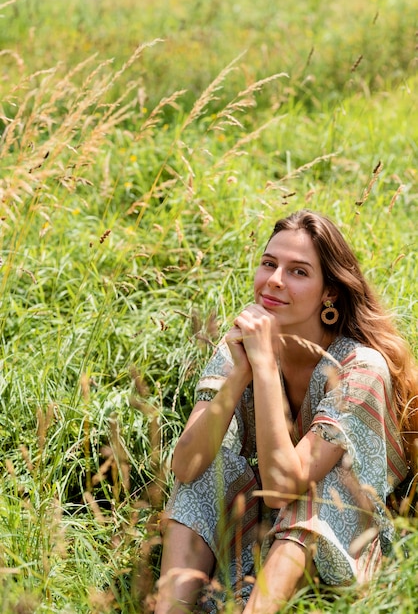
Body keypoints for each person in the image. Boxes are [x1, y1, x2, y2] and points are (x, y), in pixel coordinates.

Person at [154, 209, 418, 614]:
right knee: (208, 469)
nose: (274, 280)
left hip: (340, 538)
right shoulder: (239, 350)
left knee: (315, 495)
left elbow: (284, 486)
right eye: (269, 264)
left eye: (298, 271)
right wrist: (242, 371)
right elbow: (186, 466)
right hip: (264, 531)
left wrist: (262, 368)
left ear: (329, 291)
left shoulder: (360, 368)